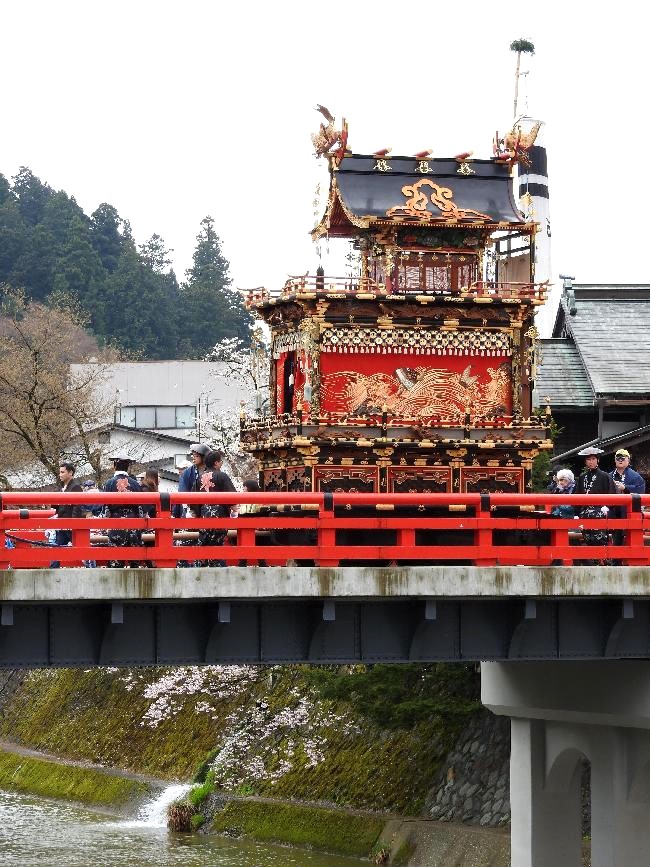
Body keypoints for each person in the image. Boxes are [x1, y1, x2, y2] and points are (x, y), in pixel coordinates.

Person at [193, 449, 236, 566]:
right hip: (220, 515)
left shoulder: (199, 477)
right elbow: (232, 496)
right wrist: (233, 507)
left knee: (204, 542)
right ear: (216, 463)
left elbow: (192, 498)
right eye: (220, 462)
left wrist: (197, 513)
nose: (221, 464)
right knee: (217, 544)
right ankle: (216, 567)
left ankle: (201, 566)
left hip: (204, 515)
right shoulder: (222, 476)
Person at [573, 446, 616, 562]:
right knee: (588, 538)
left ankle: (604, 561)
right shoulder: (582, 478)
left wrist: (607, 507)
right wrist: (576, 512)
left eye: (593, 459)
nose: (591, 462)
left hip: (600, 512)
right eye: (588, 459)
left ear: (598, 460)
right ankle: (592, 562)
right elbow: (577, 496)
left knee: (600, 539)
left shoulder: (605, 476)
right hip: (585, 512)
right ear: (585, 461)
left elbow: (612, 493)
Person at [102, 452, 143, 567]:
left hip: (116, 522)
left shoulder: (109, 483)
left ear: (114, 465)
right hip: (133, 523)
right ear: (128, 467)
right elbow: (141, 508)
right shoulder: (135, 484)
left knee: (116, 560)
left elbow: (106, 507)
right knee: (134, 562)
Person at [609, 448, 646, 547]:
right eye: (618, 458)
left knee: (629, 541)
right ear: (615, 460)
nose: (620, 460)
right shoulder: (609, 476)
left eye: (623, 458)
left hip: (628, 514)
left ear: (628, 460)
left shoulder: (635, 476)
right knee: (614, 540)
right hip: (613, 513)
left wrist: (626, 488)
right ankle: (614, 562)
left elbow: (641, 492)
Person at [50, 461, 84, 567]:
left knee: (81, 550)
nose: (60, 474)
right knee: (57, 549)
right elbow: (56, 506)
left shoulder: (76, 487)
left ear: (70, 473)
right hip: (61, 524)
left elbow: (77, 508)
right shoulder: (61, 487)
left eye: (62, 472)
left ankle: (90, 567)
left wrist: (72, 524)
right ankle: (53, 571)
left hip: (70, 525)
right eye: (60, 472)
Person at [173, 444, 210, 519]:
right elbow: (182, 492)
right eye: (193, 455)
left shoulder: (212, 471)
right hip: (192, 507)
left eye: (196, 456)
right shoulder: (188, 472)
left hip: (210, 506)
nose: (193, 458)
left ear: (204, 457)